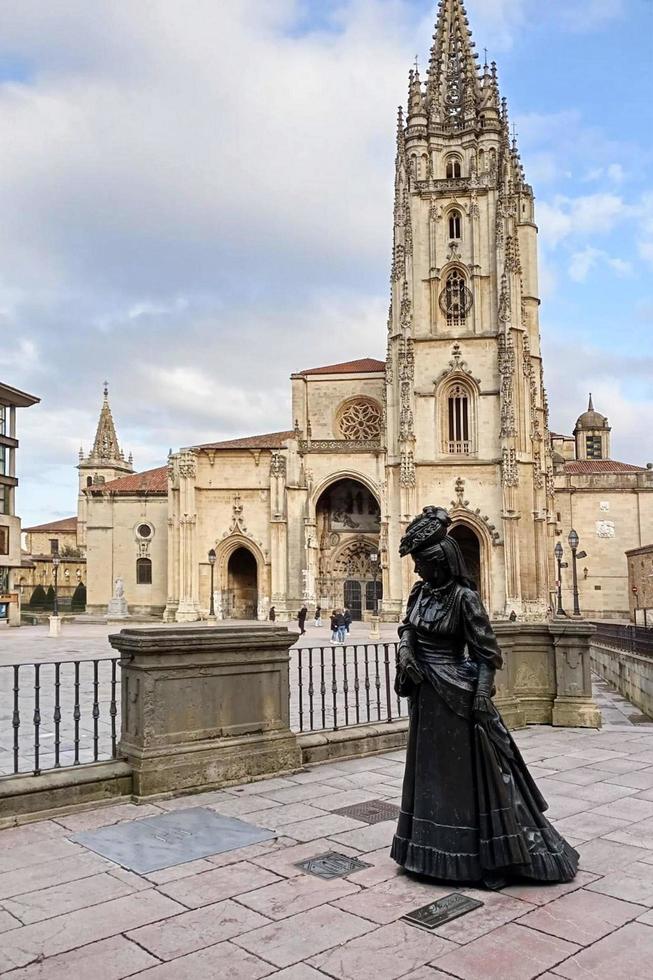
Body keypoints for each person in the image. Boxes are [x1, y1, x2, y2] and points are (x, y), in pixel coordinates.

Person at [391, 505, 579, 888]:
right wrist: (407, 650)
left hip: (457, 697)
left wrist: (479, 696)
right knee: (432, 775)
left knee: (466, 778)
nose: (416, 570)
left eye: (422, 564)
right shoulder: (421, 593)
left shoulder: (464, 599)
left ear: (440, 564)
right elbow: (407, 627)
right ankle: (428, 851)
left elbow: (486, 654)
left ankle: (476, 856)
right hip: (427, 697)